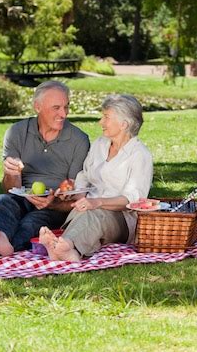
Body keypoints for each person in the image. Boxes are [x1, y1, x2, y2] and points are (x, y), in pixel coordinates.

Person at [0, 80, 90, 259]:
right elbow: (9, 188)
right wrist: (12, 173)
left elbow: (76, 193)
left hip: (54, 206)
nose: (63, 114)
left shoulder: (79, 140)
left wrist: (54, 202)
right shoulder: (17, 132)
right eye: (56, 108)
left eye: (66, 107)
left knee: (32, 222)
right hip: (23, 196)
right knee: (2, 202)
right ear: (37, 107)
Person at [39, 93, 153, 262]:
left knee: (94, 214)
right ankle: (64, 249)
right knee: (85, 213)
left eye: (106, 117)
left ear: (124, 124)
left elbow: (134, 199)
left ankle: (69, 247)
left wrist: (97, 202)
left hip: (122, 218)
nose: (101, 122)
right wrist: (72, 190)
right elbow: (85, 175)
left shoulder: (139, 154)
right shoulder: (101, 144)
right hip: (88, 210)